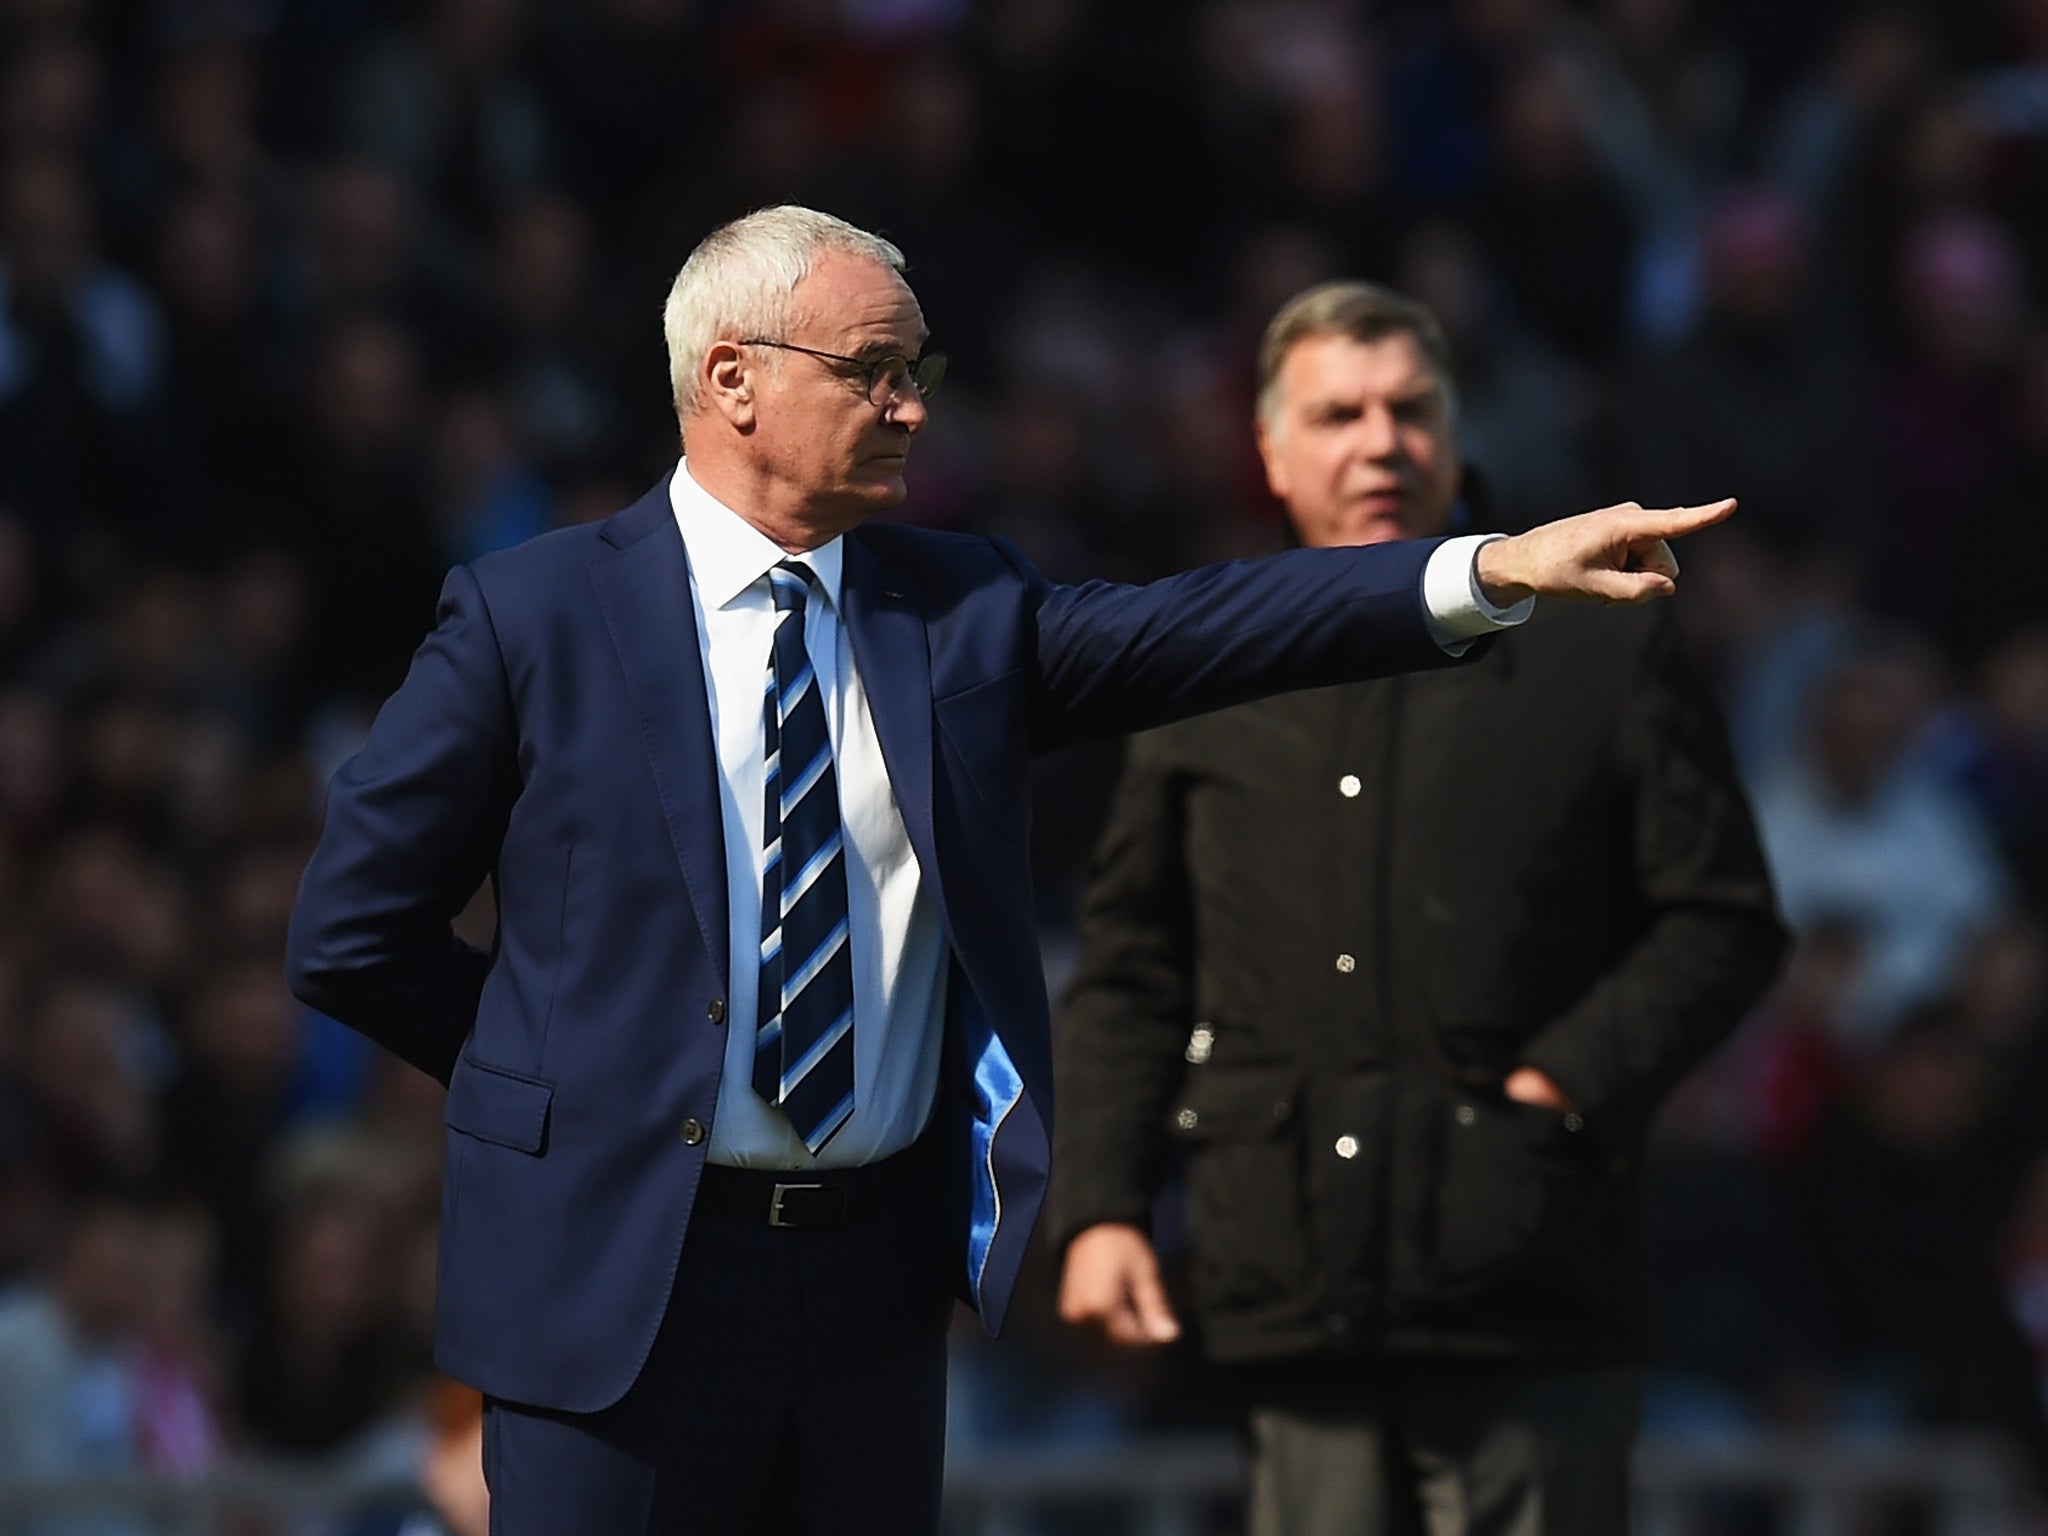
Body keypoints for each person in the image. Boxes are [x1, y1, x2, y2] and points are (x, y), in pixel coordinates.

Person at [285, 208, 1733, 1536]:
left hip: (866, 1296)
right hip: (609, 1288)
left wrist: (1483, 572)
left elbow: (1215, 626)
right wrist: (562, 1082)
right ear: (730, 378)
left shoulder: (960, 608)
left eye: (922, 368)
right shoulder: (531, 616)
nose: (913, 404)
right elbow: (353, 928)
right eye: (873, 369)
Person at [1053, 280, 1787, 1536]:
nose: (1379, 441)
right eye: (1338, 414)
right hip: (1285, 1280)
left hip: (1527, 1278)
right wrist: (1101, 1205)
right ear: (1270, 451)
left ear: (1456, 430)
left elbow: (1721, 917)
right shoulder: (1203, 659)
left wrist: (1563, 1081)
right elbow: (1131, 965)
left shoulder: (1594, 638)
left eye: (1409, 408)